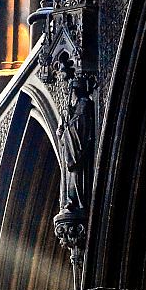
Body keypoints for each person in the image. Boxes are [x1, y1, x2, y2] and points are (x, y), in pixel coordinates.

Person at [57, 76, 94, 212]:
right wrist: (60, 132)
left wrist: (67, 129)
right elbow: (62, 132)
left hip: (76, 150)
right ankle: (70, 201)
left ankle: (76, 201)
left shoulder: (83, 103)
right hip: (69, 149)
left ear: (75, 91)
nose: (70, 94)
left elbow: (81, 127)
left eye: (71, 91)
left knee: (77, 176)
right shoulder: (70, 109)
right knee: (69, 177)